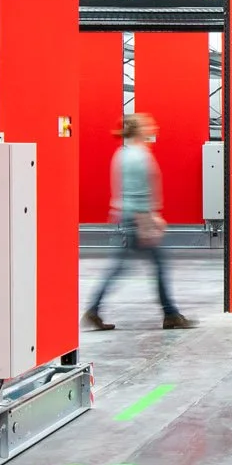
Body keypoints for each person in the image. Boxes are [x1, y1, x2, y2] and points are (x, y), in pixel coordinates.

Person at [84, 114, 193, 331]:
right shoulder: (137, 156)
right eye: (148, 124)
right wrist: (148, 221)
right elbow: (137, 193)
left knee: (119, 268)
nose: (154, 126)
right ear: (138, 129)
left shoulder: (123, 154)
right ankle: (170, 314)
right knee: (158, 266)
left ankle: (94, 309)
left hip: (128, 217)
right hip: (137, 220)